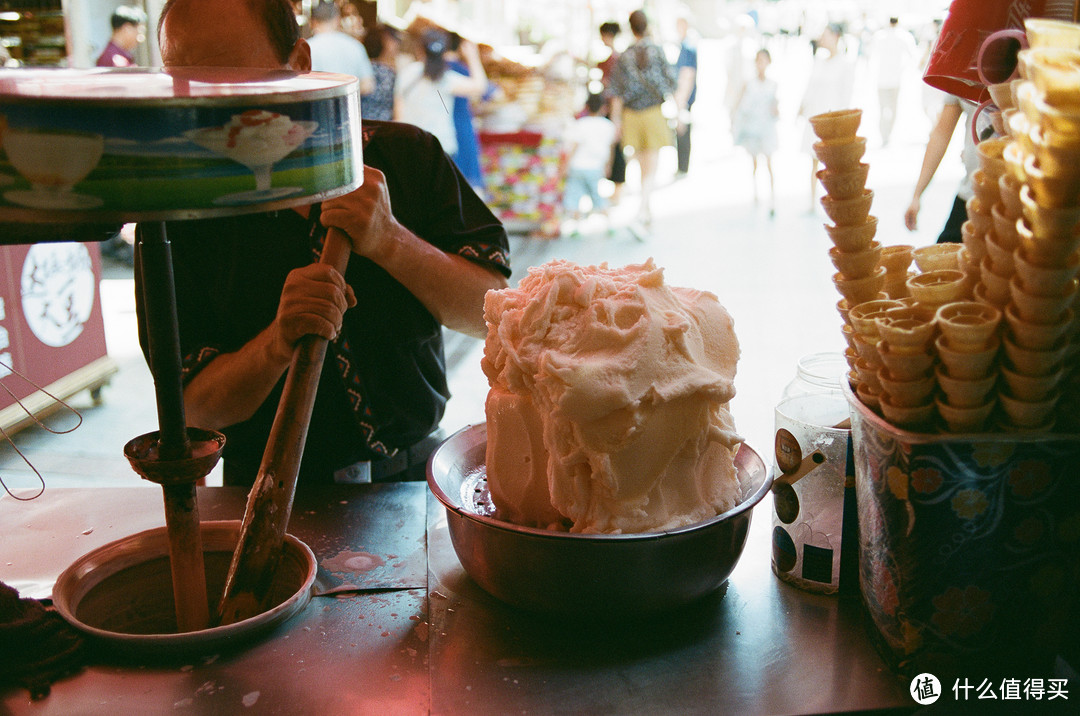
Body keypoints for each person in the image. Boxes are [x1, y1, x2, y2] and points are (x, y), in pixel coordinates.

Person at [138, 0, 511, 487]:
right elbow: (193, 406)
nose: (212, 105)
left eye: (234, 79)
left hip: (413, 479)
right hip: (261, 494)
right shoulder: (175, 214)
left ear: (298, 63)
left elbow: (491, 313)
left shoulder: (403, 155)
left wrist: (391, 241)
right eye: (187, 83)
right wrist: (275, 344)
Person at [609, 9, 676, 230]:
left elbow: (616, 91)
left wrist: (617, 121)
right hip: (653, 113)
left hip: (631, 115)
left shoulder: (625, 55)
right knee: (652, 164)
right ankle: (643, 209)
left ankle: (644, 209)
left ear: (631, 28)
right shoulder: (657, 51)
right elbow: (671, 82)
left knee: (639, 164)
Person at [394, 28, 487, 161]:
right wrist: (473, 57)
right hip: (442, 146)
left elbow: (398, 114)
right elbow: (480, 86)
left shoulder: (407, 73)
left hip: (411, 145)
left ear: (419, 49)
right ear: (445, 52)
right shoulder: (445, 78)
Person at [904, 94, 978, 244]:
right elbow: (941, 133)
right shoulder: (959, 72)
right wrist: (917, 194)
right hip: (970, 194)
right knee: (945, 253)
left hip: (1013, 200)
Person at [798, 23, 856, 211]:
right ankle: (812, 201)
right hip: (816, 117)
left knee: (833, 166)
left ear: (836, 36)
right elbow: (810, 87)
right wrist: (801, 108)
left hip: (833, 121)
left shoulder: (845, 64)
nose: (823, 39)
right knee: (813, 161)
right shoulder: (820, 61)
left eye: (826, 35)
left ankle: (835, 202)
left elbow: (846, 96)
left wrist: (842, 124)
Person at [732, 48, 779, 216]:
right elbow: (739, 104)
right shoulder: (749, 84)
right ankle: (756, 194)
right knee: (754, 162)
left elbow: (776, 108)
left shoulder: (773, 84)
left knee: (769, 162)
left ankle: (772, 197)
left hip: (766, 128)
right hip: (752, 128)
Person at [562, 93, 616, 229]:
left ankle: (575, 227)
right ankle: (610, 224)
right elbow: (610, 149)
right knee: (597, 196)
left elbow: (573, 147)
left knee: (574, 197)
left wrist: (565, 165)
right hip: (595, 167)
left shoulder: (580, 125)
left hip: (577, 166)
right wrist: (608, 165)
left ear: (586, 107)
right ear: (604, 107)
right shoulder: (608, 126)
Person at [446, 32, 491, 192]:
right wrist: (473, 58)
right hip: (460, 126)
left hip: (443, 127)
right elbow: (482, 90)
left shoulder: (425, 69)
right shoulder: (460, 71)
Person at [306, 1, 374, 96]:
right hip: (348, 107)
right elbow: (367, 86)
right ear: (337, 19)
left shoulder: (307, 48)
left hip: (318, 107)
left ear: (312, 22)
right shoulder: (355, 45)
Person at [869, 17, 917, 146]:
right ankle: (887, 134)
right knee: (893, 109)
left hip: (882, 78)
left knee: (883, 109)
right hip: (896, 79)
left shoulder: (879, 36)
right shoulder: (904, 37)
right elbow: (912, 56)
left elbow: (871, 56)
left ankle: (884, 135)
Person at [597, 21, 627, 205]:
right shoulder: (613, 58)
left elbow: (616, 90)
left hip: (615, 110)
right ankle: (616, 188)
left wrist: (615, 116)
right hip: (613, 109)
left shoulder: (616, 59)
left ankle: (618, 189)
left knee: (617, 148)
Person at [673, 15, 698, 177]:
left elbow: (688, 76)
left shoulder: (688, 47)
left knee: (683, 132)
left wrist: (681, 103)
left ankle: (683, 167)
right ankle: (681, 166)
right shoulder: (683, 46)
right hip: (682, 98)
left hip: (685, 99)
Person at [361, 22, 401, 122]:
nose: (397, 44)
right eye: (394, 40)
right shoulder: (388, 74)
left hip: (363, 126)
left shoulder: (362, 68)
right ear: (386, 43)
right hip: (384, 128)